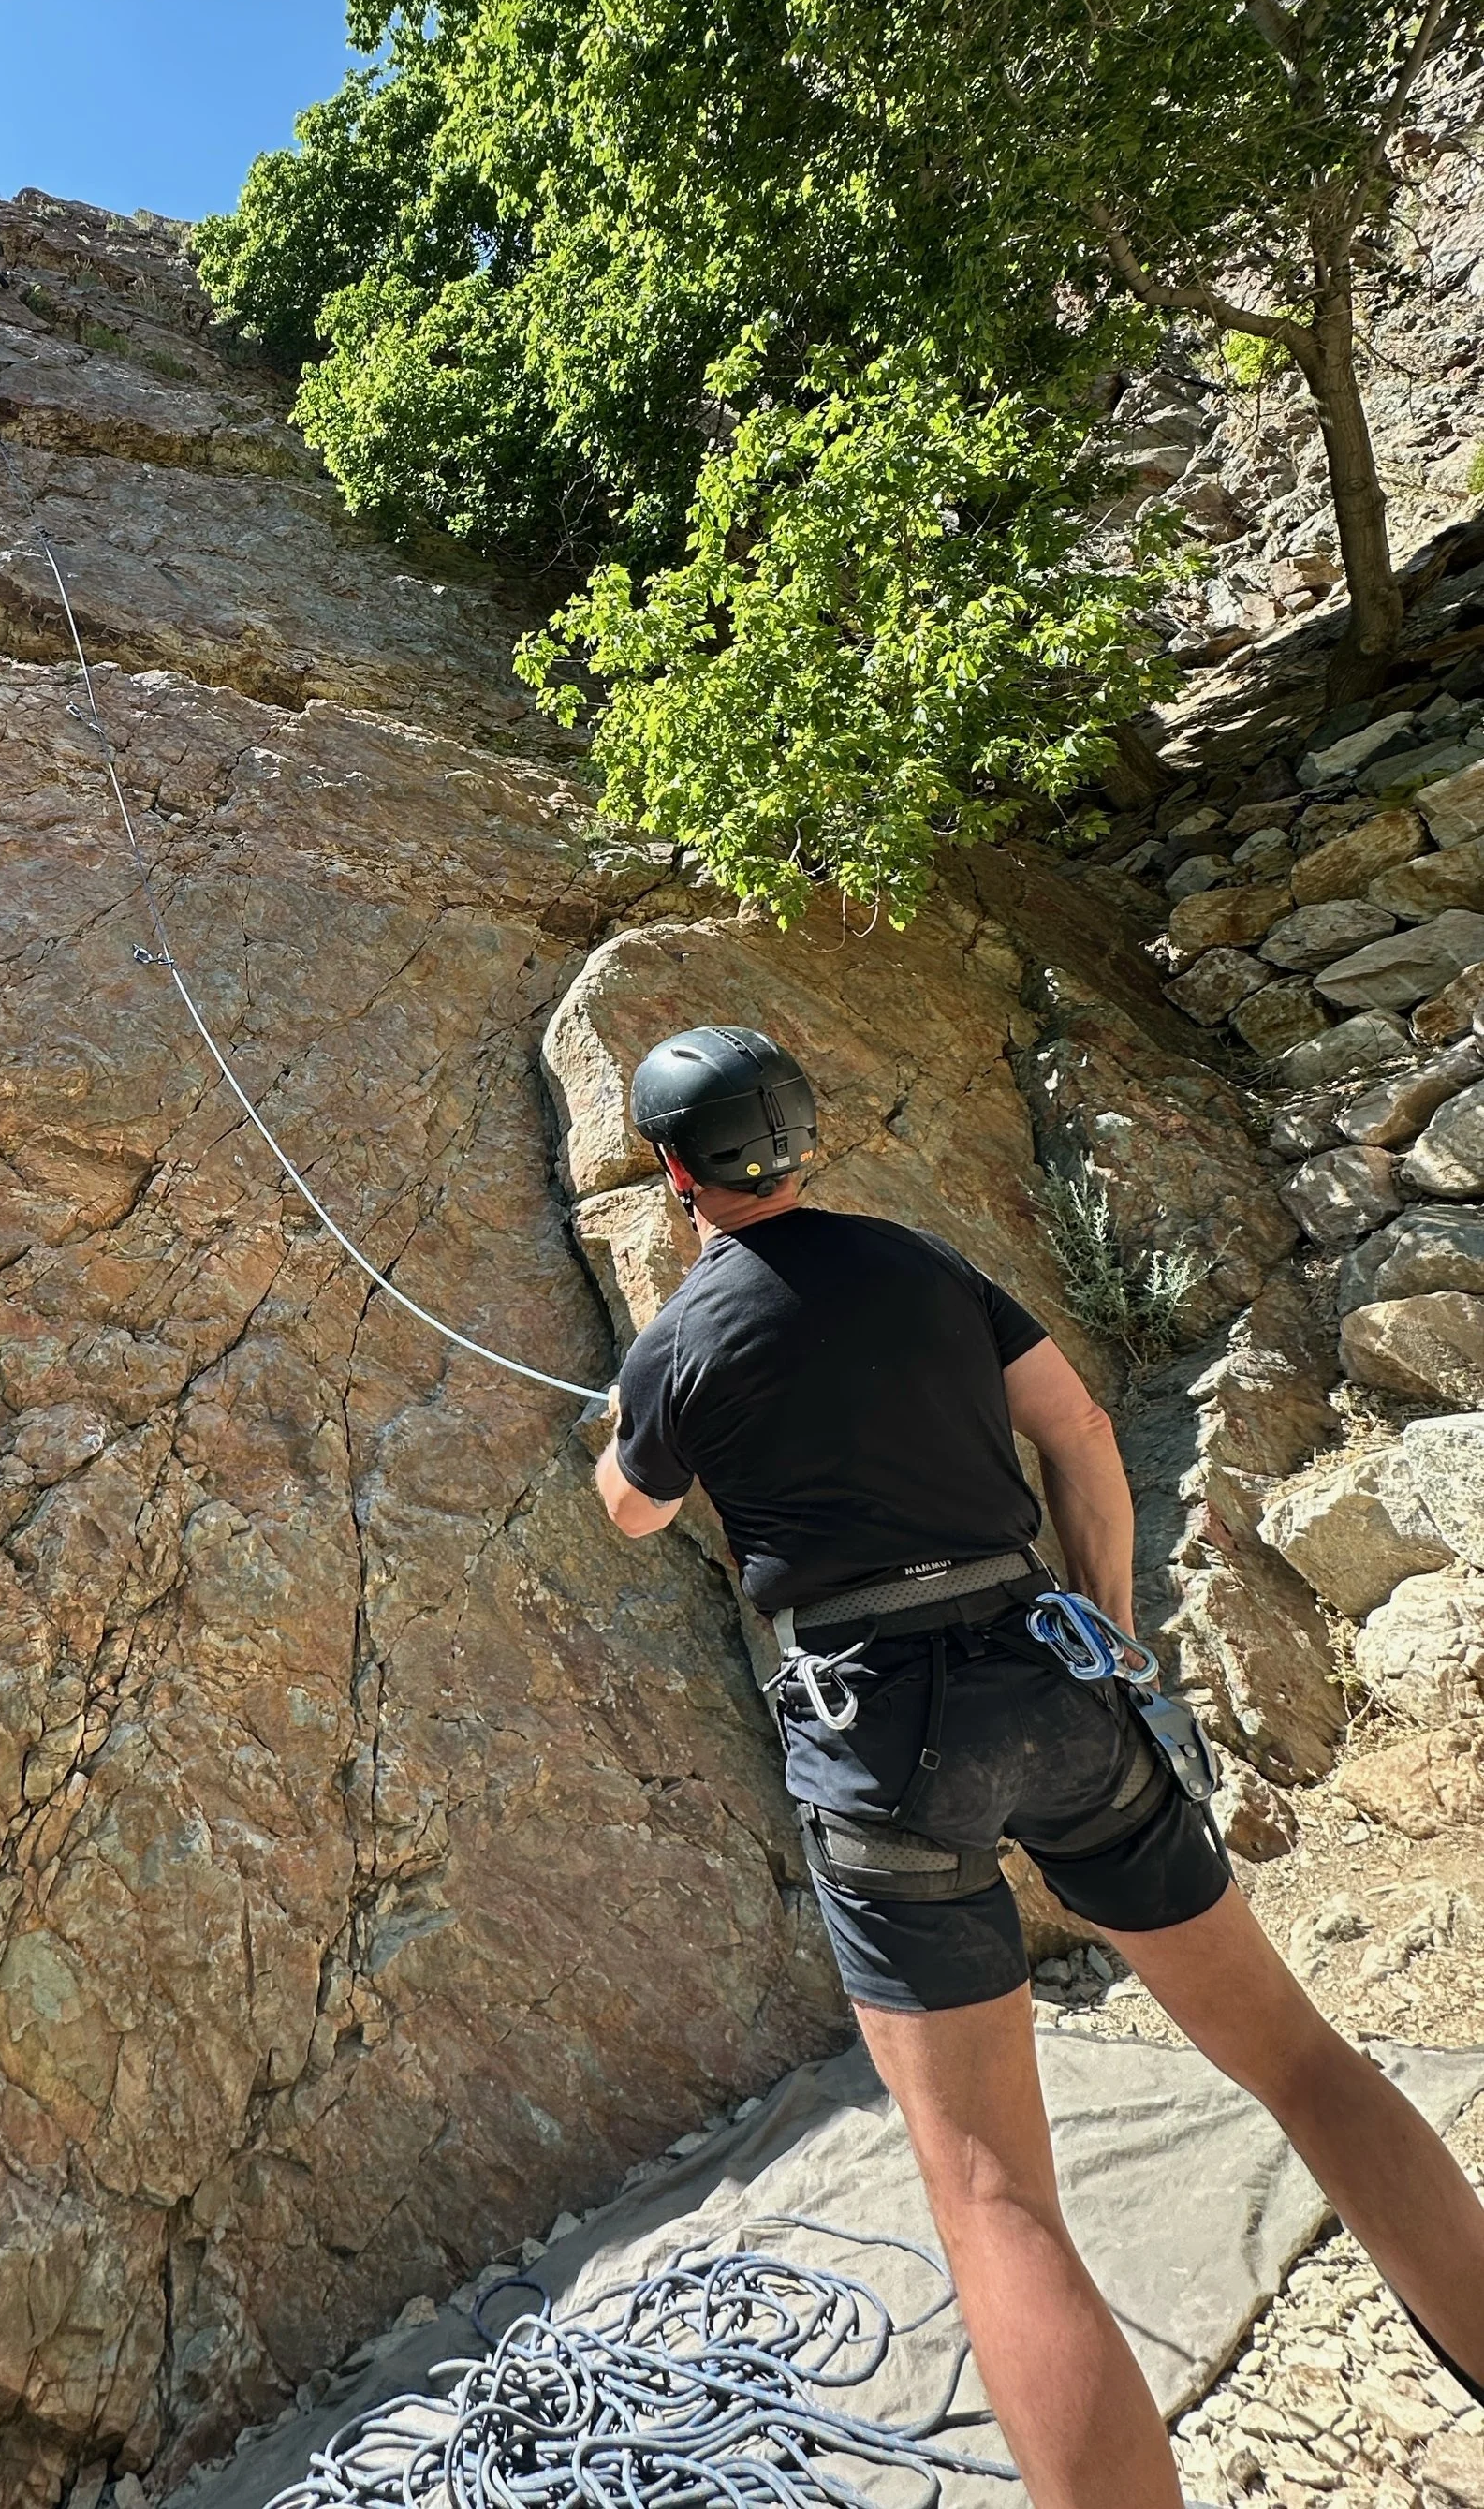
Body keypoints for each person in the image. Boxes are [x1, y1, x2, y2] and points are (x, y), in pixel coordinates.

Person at [591, 1021, 1484, 2509]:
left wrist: (628, 1426)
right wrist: (1108, 1634)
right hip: (1052, 1682)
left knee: (995, 2194)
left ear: (671, 1172)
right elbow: (1074, 1433)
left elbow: (627, 1509)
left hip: (883, 1744)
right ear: (804, 1136)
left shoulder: (684, 1340)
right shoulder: (926, 1267)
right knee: (1305, 2063)